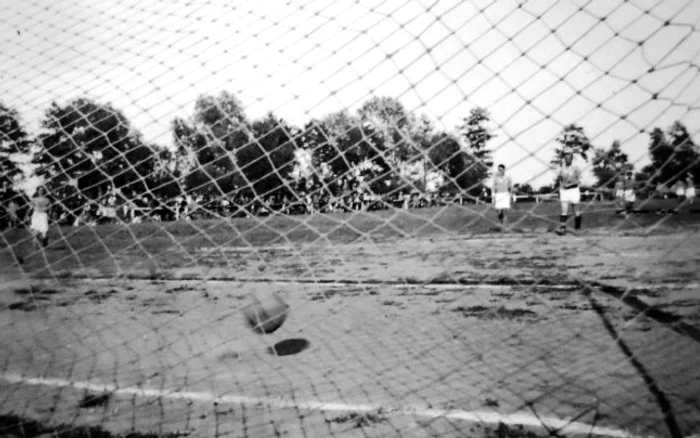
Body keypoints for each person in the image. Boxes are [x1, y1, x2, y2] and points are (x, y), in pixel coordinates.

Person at [557, 148, 582, 233]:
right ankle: (562, 228)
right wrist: (561, 187)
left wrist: (571, 184)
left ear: (571, 156)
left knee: (576, 210)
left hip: (574, 190)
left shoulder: (576, 168)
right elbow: (560, 179)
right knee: (564, 209)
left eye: (568, 155)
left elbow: (579, 180)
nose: (567, 157)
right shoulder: (561, 168)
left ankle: (577, 229)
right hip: (564, 191)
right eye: (565, 155)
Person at [492, 164, 513, 230]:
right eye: (499, 170)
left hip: (506, 194)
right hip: (498, 194)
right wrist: (493, 195)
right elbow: (493, 187)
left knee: (505, 211)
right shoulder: (496, 178)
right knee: (498, 210)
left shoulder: (508, 178)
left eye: (501, 169)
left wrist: (511, 194)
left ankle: (504, 227)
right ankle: (501, 219)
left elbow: (510, 187)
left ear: (504, 170)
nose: (500, 171)